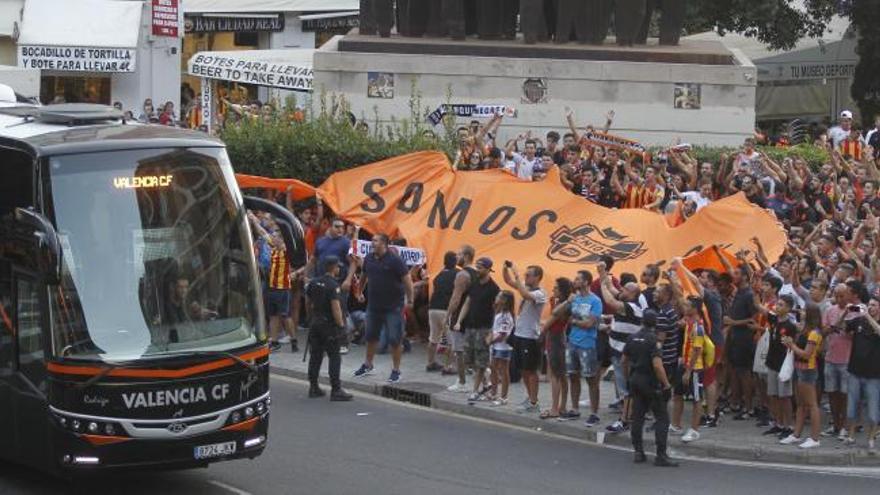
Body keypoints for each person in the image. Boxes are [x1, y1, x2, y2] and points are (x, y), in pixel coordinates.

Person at [352, 234, 414, 384]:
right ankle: (368, 365)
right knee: (370, 336)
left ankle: (396, 370)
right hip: (374, 306)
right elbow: (363, 277)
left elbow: (407, 281)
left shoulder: (395, 261)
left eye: (376, 240)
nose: (372, 243)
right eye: (372, 240)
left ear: (384, 244)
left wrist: (410, 299)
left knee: (395, 339)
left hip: (393, 307)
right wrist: (359, 292)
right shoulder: (369, 258)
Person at [623, 309, 678, 467]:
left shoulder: (632, 338)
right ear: (655, 324)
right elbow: (657, 365)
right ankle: (661, 455)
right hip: (650, 382)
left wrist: (629, 377)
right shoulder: (654, 340)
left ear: (642, 321)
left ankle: (638, 452)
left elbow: (623, 361)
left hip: (635, 380)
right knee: (662, 418)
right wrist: (666, 384)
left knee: (638, 416)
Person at [599, 261, 644, 433]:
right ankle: (629, 417)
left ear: (632, 293)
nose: (621, 291)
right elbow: (612, 289)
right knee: (624, 387)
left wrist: (602, 285)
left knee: (626, 388)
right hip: (618, 352)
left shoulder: (631, 307)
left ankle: (625, 420)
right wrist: (603, 272)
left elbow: (609, 299)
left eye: (624, 290)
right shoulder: (627, 302)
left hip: (625, 355)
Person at [306, 256, 354, 401]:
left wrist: (311, 318)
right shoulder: (333, 285)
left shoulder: (313, 282)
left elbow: (308, 302)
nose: (339, 269)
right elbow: (336, 308)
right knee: (334, 357)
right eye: (338, 267)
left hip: (315, 323)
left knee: (315, 356)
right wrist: (341, 326)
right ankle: (336, 389)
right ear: (334, 268)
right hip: (329, 326)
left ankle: (313, 387)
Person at [453, 257, 500, 402]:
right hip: (470, 327)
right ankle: (486, 383)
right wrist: (459, 321)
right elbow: (467, 303)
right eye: (477, 267)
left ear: (487, 269)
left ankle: (475, 390)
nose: (477, 270)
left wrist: (493, 330)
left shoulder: (494, 288)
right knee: (470, 360)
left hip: (484, 328)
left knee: (481, 362)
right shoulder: (474, 284)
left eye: (480, 267)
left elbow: (497, 310)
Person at [503, 261, 547, 413]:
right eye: (525, 275)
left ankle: (534, 401)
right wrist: (506, 267)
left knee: (531, 370)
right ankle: (530, 398)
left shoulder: (540, 293)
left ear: (537, 277)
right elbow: (508, 281)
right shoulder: (526, 286)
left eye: (528, 275)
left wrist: (516, 274)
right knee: (522, 370)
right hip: (519, 335)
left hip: (530, 337)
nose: (525, 277)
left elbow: (525, 295)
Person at [561, 270, 603, 425]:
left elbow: (590, 323)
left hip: (587, 344)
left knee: (591, 378)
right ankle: (574, 409)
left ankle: (594, 413)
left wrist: (575, 322)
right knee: (572, 376)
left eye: (578, 279)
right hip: (572, 342)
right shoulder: (575, 298)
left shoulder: (595, 301)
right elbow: (566, 316)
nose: (574, 281)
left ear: (586, 282)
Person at [843, 284, 880, 448]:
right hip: (855, 371)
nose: (870, 307)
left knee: (873, 411)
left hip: (874, 375)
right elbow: (842, 328)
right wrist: (846, 312)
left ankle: (871, 439)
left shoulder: (871, 321)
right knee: (852, 407)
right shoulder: (859, 320)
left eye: (873, 305)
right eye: (869, 304)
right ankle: (850, 436)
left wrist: (868, 317)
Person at [781, 304, 823, 448]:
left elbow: (807, 354)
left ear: (810, 314)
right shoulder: (805, 330)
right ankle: (796, 434)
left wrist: (791, 345)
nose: (802, 312)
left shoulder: (814, 333)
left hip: (808, 370)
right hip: (799, 369)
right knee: (800, 404)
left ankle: (815, 438)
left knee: (812, 404)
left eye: (805, 310)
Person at [445, 245, 478, 392]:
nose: (456, 257)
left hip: (460, 317)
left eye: (458, 254)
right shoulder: (478, 273)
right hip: (474, 316)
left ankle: (462, 382)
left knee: (459, 351)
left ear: (466, 256)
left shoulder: (462, 275)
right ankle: (483, 380)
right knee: (473, 350)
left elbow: (455, 298)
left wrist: (448, 315)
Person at [540, 277, 573, 419]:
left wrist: (541, 332)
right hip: (555, 338)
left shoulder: (565, 305)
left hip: (557, 338)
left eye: (556, 288)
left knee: (556, 375)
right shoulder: (557, 301)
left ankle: (556, 408)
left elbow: (553, 317)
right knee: (561, 375)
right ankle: (562, 406)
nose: (553, 290)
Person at [679, 296, 707, 443]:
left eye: (687, 305)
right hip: (688, 365)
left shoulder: (698, 327)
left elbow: (697, 350)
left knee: (697, 398)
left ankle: (695, 430)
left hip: (695, 368)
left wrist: (688, 371)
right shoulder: (690, 323)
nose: (684, 307)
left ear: (694, 309)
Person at [427, 251, 459, 372]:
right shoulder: (457, 274)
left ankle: (431, 363)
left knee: (433, 338)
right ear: (455, 261)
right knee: (452, 341)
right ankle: (448, 366)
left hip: (433, 308)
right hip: (446, 310)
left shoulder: (439, 275)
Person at [488, 290, 516, 406]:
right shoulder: (499, 313)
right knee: (493, 368)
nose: (496, 298)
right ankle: (494, 392)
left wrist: (490, 341)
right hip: (496, 345)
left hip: (503, 346)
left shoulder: (506, 316)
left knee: (503, 370)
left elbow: (503, 334)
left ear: (504, 300)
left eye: (498, 296)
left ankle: (504, 397)